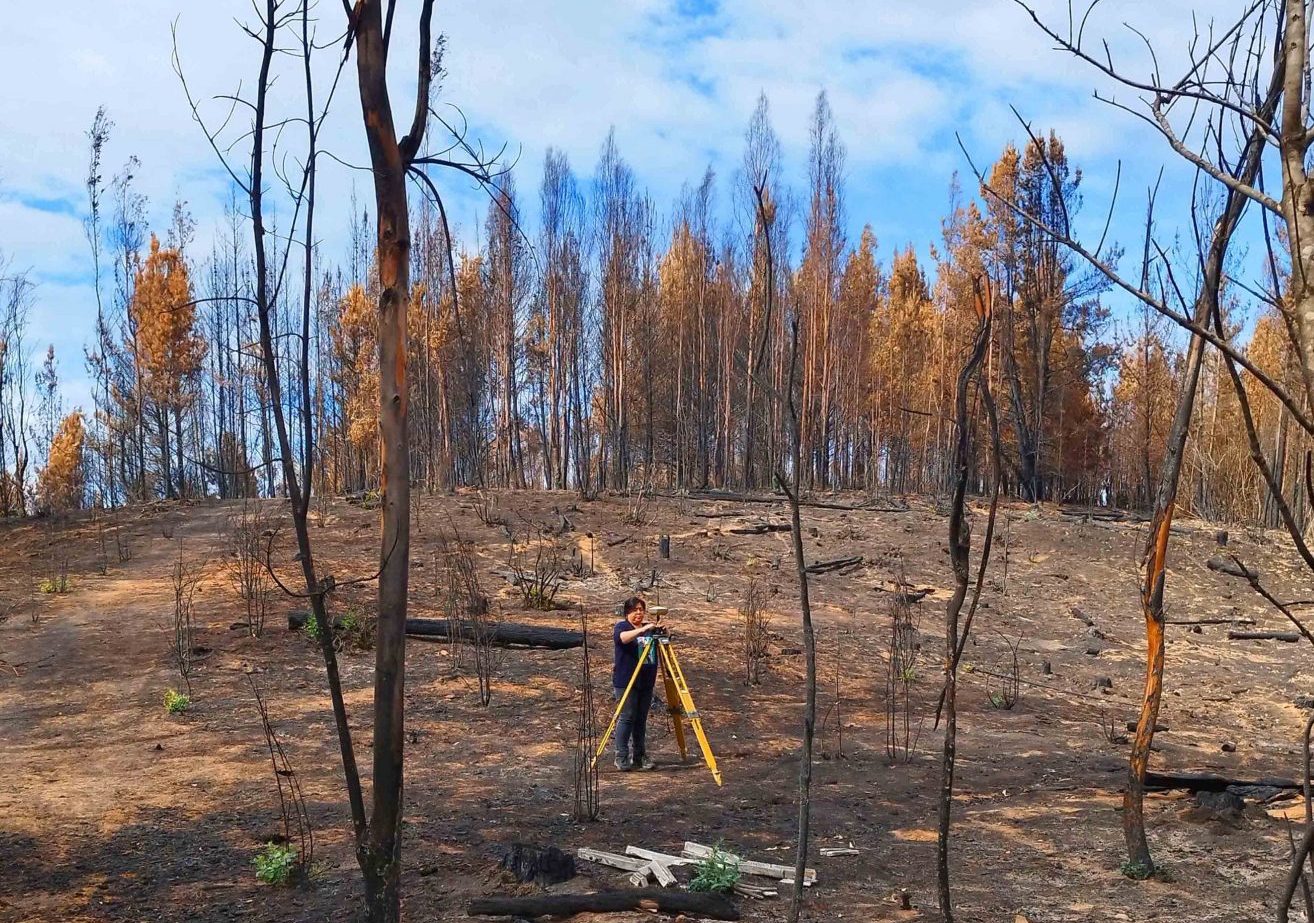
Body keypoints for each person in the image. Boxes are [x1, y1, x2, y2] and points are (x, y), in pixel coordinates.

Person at [612, 596, 661, 771]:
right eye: (635, 610)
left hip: (645, 681)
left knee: (641, 720)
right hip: (626, 681)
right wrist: (643, 630)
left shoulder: (649, 630)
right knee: (627, 717)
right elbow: (623, 638)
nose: (638, 613)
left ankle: (640, 756)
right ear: (627, 613)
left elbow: (659, 648)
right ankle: (621, 757)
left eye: (641, 610)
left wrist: (662, 632)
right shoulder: (622, 627)